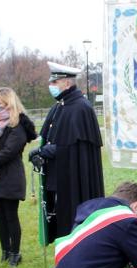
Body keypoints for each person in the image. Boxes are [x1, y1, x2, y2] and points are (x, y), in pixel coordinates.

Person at [28, 62, 104, 244]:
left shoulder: (81, 108)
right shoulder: (60, 106)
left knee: (70, 219)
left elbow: (73, 148)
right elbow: (54, 139)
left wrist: (46, 151)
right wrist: (41, 152)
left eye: (55, 82)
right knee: (57, 217)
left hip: (74, 178)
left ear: (67, 83)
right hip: (57, 176)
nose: (51, 86)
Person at [0, 87, 37, 266]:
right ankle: (5, 250)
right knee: (0, 216)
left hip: (10, 177)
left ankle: (15, 253)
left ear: (9, 103)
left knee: (11, 216)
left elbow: (9, 152)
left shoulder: (17, 125)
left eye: (0, 103)